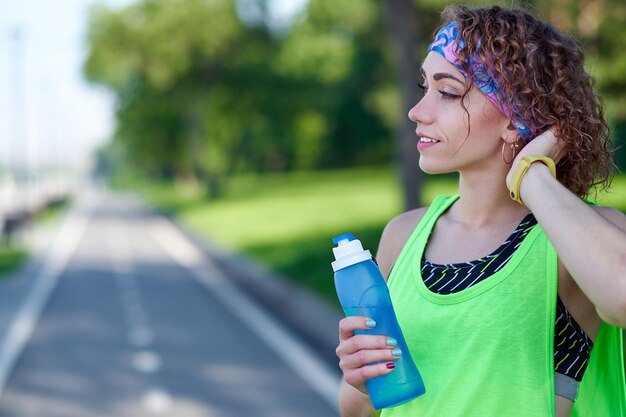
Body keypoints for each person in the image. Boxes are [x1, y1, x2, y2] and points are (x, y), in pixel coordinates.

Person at [335, 5, 626, 417]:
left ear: (515, 114)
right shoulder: (403, 235)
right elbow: (355, 410)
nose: (418, 111)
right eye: (425, 88)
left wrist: (531, 175)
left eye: (448, 92)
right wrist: (361, 384)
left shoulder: (579, 237)